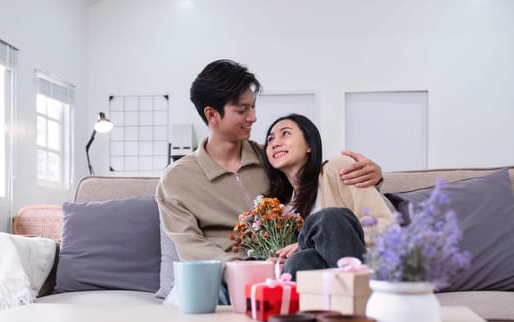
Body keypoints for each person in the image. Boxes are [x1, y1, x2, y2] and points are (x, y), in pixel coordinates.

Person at [156, 59, 383, 281]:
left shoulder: (274, 159)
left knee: (314, 244)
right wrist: (244, 270)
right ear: (212, 114)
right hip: (228, 278)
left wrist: (374, 175)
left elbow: (318, 181)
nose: (253, 118)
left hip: (293, 265)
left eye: (253, 107)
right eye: (242, 110)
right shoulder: (176, 180)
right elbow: (189, 245)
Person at [262, 113, 393, 278]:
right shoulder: (282, 210)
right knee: (300, 261)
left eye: (285, 133)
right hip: (325, 282)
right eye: (270, 139)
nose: (275, 143)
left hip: (370, 267)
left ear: (309, 144)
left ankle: (361, 294)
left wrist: (320, 238)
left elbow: (385, 226)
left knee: (330, 218)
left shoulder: (339, 168)